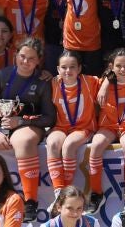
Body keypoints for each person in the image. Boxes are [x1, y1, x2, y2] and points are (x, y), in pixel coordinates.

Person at [0, 38, 54, 220]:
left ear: (38, 61)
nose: (26, 62)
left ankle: (30, 202)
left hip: (28, 124)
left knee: (23, 141)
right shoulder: (1, 76)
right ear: (15, 56)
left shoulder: (43, 82)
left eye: (31, 59)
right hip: (0, 123)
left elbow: (49, 117)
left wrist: (21, 122)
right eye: (22, 57)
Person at [89, 47, 125, 202]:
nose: (122, 69)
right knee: (96, 145)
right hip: (109, 126)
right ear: (111, 67)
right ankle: (96, 193)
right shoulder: (103, 82)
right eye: (118, 66)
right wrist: (106, 82)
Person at [42, 51, 101, 206]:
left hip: (83, 128)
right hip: (61, 127)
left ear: (79, 69)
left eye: (72, 67)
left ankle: (66, 192)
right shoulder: (53, 83)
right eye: (64, 67)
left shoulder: (89, 81)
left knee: (69, 145)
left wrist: (107, 83)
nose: (68, 71)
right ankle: (59, 192)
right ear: (58, 69)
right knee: (53, 143)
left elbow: (109, 79)